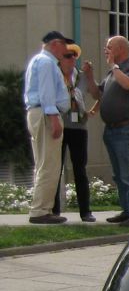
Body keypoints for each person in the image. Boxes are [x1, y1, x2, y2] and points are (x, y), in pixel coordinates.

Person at [84, 35, 129, 227]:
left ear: (121, 49)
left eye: (109, 47)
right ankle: (127, 211)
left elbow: (128, 84)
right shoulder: (113, 73)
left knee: (128, 173)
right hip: (111, 129)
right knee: (118, 175)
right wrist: (89, 76)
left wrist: (113, 66)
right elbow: (98, 94)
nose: (106, 50)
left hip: (126, 128)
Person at [23, 30, 72, 224]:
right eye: (64, 45)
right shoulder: (46, 62)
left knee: (44, 163)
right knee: (49, 164)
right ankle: (40, 211)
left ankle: (42, 208)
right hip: (45, 114)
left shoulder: (41, 61)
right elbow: (47, 92)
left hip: (40, 113)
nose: (66, 49)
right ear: (55, 44)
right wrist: (53, 117)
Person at [52, 42, 95, 222]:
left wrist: (90, 77)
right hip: (61, 125)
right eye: (67, 56)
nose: (71, 59)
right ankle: (54, 210)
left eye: (73, 56)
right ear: (60, 59)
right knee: (56, 169)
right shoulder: (55, 76)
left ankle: (85, 211)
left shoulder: (81, 77)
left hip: (78, 128)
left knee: (80, 169)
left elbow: (97, 94)